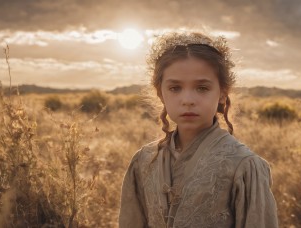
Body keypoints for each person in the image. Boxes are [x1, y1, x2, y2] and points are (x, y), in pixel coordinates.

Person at [119, 32, 278, 228]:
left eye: (202, 88)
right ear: (161, 93)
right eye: (175, 88)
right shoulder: (144, 160)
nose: (187, 100)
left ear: (222, 93)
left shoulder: (243, 166)